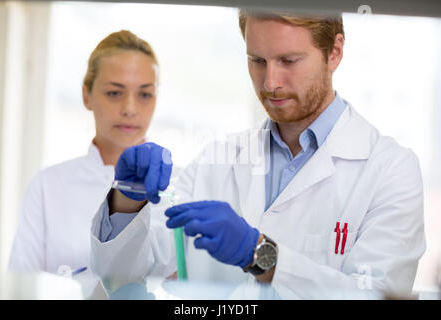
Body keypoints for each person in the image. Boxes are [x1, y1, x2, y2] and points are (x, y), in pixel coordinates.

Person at [90, 11, 425, 299]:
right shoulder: (218, 158)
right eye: (257, 61)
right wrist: (126, 201)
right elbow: (125, 277)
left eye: (288, 61)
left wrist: (262, 256)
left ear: (334, 52)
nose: (270, 82)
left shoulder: (391, 169)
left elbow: (378, 294)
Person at [8, 30, 161, 289]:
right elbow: (20, 287)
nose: (130, 109)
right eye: (115, 93)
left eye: (144, 94)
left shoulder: (180, 188)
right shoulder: (49, 185)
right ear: (86, 95)